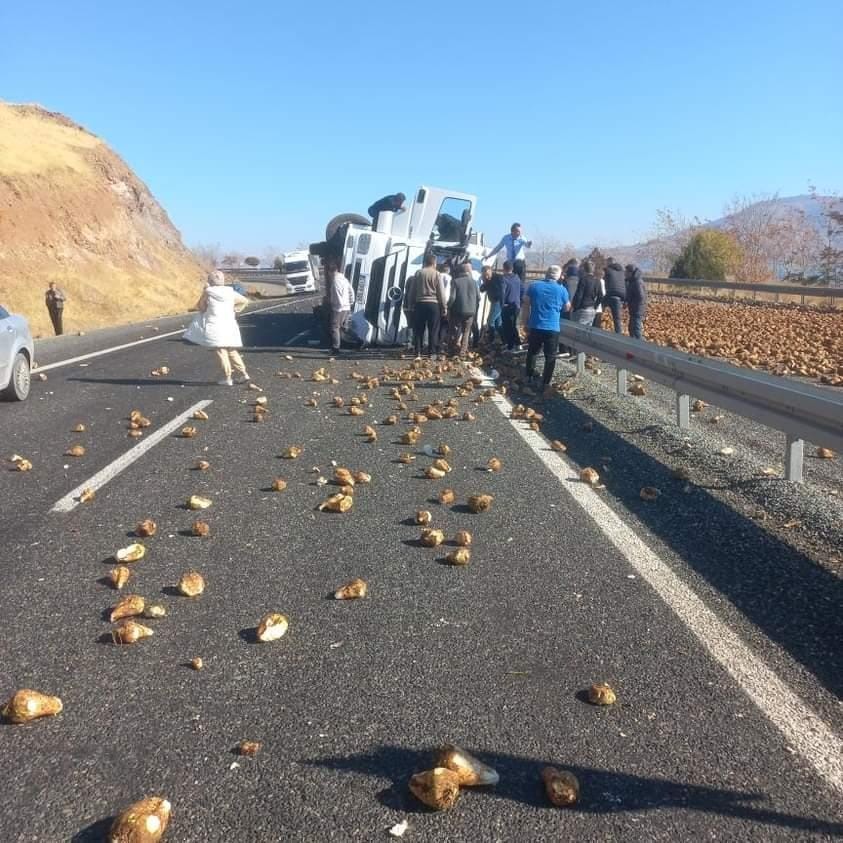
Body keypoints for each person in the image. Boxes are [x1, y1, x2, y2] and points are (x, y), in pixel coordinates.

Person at [184, 270, 250, 386]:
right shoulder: (230, 292)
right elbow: (245, 301)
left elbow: (201, 307)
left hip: (215, 325)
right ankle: (244, 374)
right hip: (229, 324)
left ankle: (228, 378)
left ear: (210, 281)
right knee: (232, 350)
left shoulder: (208, 292)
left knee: (221, 351)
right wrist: (237, 309)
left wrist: (204, 291)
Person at [524, 265, 570, 392]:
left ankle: (529, 376)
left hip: (536, 325)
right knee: (550, 356)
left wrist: (525, 322)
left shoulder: (534, 286)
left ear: (546, 274)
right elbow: (567, 307)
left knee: (532, 352)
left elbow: (526, 303)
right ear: (559, 276)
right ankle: (545, 382)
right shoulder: (562, 290)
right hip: (552, 327)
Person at [403, 253, 447, 358]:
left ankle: (417, 352)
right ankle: (431, 353)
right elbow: (441, 292)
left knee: (418, 329)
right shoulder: (437, 274)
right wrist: (444, 307)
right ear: (434, 263)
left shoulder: (418, 273)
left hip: (420, 304)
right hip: (433, 305)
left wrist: (410, 304)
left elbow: (412, 291)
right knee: (433, 329)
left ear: (425, 262)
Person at [448, 262, 479, 358]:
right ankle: (462, 352)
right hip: (471, 311)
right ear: (468, 271)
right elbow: (478, 297)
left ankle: (452, 350)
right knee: (466, 331)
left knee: (455, 330)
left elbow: (452, 297)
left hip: (458, 311)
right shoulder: (474, 282)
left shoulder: (456, 281)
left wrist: (448, 306)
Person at [325, 261, 355, 354]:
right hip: (346, 307)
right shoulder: (344, 279)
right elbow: (351, 290)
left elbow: (338, 296)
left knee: (335, 327)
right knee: (342, 327)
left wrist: (335, 306)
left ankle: (336, 348)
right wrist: (351, 302)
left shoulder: (335, 281)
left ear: (330, 271)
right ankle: (353, 342)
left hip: (339, 308)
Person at [499, 260, 524, 351]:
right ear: (512, 268)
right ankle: (517, 343)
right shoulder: (517, 278)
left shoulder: (504, 279)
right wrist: (519, 301)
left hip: (507, 306)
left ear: (503, 268)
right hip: (516, 306)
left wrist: (502, 304)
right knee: (513, 325)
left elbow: (502, 292)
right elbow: (522, 290)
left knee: (507, 327)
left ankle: (510, 346)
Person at [570, 259, 602, 326]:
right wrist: (595, 306)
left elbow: (579, 295)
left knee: (576, 331)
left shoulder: (583, 279)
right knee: (586, 333)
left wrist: (575, 307)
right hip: (591, 310)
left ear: (584, 269)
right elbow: (600, 296)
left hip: (582, 309)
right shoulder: (597, 281)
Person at [479, 264, 503, 342]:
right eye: (484, 275)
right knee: (498, 323)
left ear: (491, 271)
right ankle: (502, 339)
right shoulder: (487, 280)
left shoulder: (498, 278)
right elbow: (482, 289)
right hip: (493, 302)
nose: (487, 276)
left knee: (490, 321)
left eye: (487, 274)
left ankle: (491, 339)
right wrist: (485, 281)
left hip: (498, 302)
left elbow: (500, 291)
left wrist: (488, 281)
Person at [602, 257, 626, 333]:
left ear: (609, 263)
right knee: (617, 319)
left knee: (598, 312)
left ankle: (596, 329)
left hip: (609, 295)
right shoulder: (622, 272)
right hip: (620, 297)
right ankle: (618, 335)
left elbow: (602, 282)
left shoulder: (607, 270)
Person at [626, 264, 648, 339]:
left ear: (631, 273)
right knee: (631, 329)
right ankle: (633, 347)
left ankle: (643, 347)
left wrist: (633, 305)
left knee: (637, 331)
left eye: (626, 272)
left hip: (637, 311)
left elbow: (641, 297)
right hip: (634, 310)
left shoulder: (637, 282)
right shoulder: (633, 281)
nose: (625, 274)